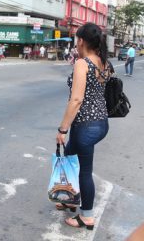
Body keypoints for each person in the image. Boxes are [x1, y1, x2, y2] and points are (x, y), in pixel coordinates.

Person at [56, 23, 111, 230]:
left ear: (80, 41)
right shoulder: (105, 63)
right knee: (70, 157)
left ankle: (86, 216)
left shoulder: (83, 63)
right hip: (100, 123)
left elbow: (77, 99)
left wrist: (62, 129)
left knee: (84, 171)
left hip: (86, 126)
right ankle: (69, 199)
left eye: (76, 40)